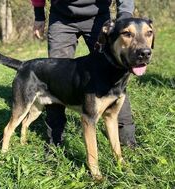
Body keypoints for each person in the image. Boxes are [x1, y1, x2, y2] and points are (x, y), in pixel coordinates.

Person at [31, 0, 136, 147]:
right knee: (55, 77)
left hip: (98, 15)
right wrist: (39, 15)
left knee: (114, 72)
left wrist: (124, 17)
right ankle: (55, 139)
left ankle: (126, 137)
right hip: (61, 17)